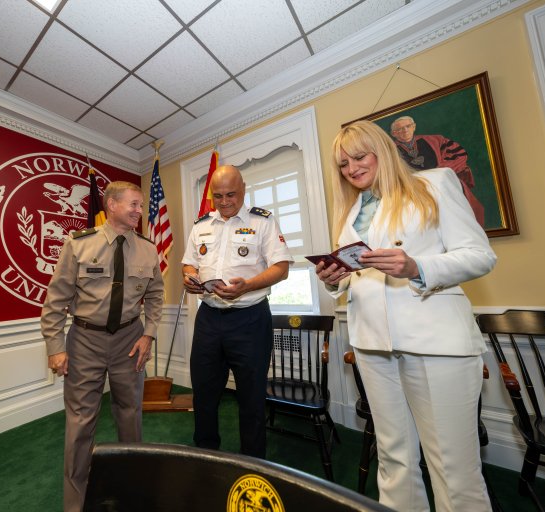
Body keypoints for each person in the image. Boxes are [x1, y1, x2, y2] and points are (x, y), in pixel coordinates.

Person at [318, 120, 496, 511]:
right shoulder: (351, 212)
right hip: (371, 345)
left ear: (382, 150)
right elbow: (353, 279)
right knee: (394, 459)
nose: (352, 169)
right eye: (343, 164)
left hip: (436, 342)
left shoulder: (434, 183)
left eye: (359, 157)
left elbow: (481, 256)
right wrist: (334, 280)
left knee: (453, 468)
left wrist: (417, 267)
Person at [41, 181, 164, 512]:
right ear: (111, 205)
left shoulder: (148, 248)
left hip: (130, 340)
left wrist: (148, 334)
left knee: (130, 415)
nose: (140, 211)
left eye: (141, 206)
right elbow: (56, 300)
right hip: (85, 342)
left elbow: (154, 296)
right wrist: (55, 346)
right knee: (80, 422)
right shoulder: (78, 245)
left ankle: (131, 487)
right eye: (134, 205)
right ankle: (75, 501)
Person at [182, 165, 293, 459]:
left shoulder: (263, 222)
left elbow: (281, 268)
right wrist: (189, 276)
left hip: (250, 318)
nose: (224, 201)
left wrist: (247, 286)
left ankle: (253, 461)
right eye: (217, 196)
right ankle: (205, 454)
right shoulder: (201, 225)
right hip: (208, 319)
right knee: (204, 393)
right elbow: (189, 263)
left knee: (251, 397)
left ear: (243, 189)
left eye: (231, 194)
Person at [390, 115, 486, 227]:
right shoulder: (389, 151)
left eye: (408, 126)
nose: (405, 130)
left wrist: (437, 174)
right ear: (394, 134)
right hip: (413, 194)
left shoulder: (436, 140)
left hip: (442, 187)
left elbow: (458, 156)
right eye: (400, 129)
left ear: (414, 127)